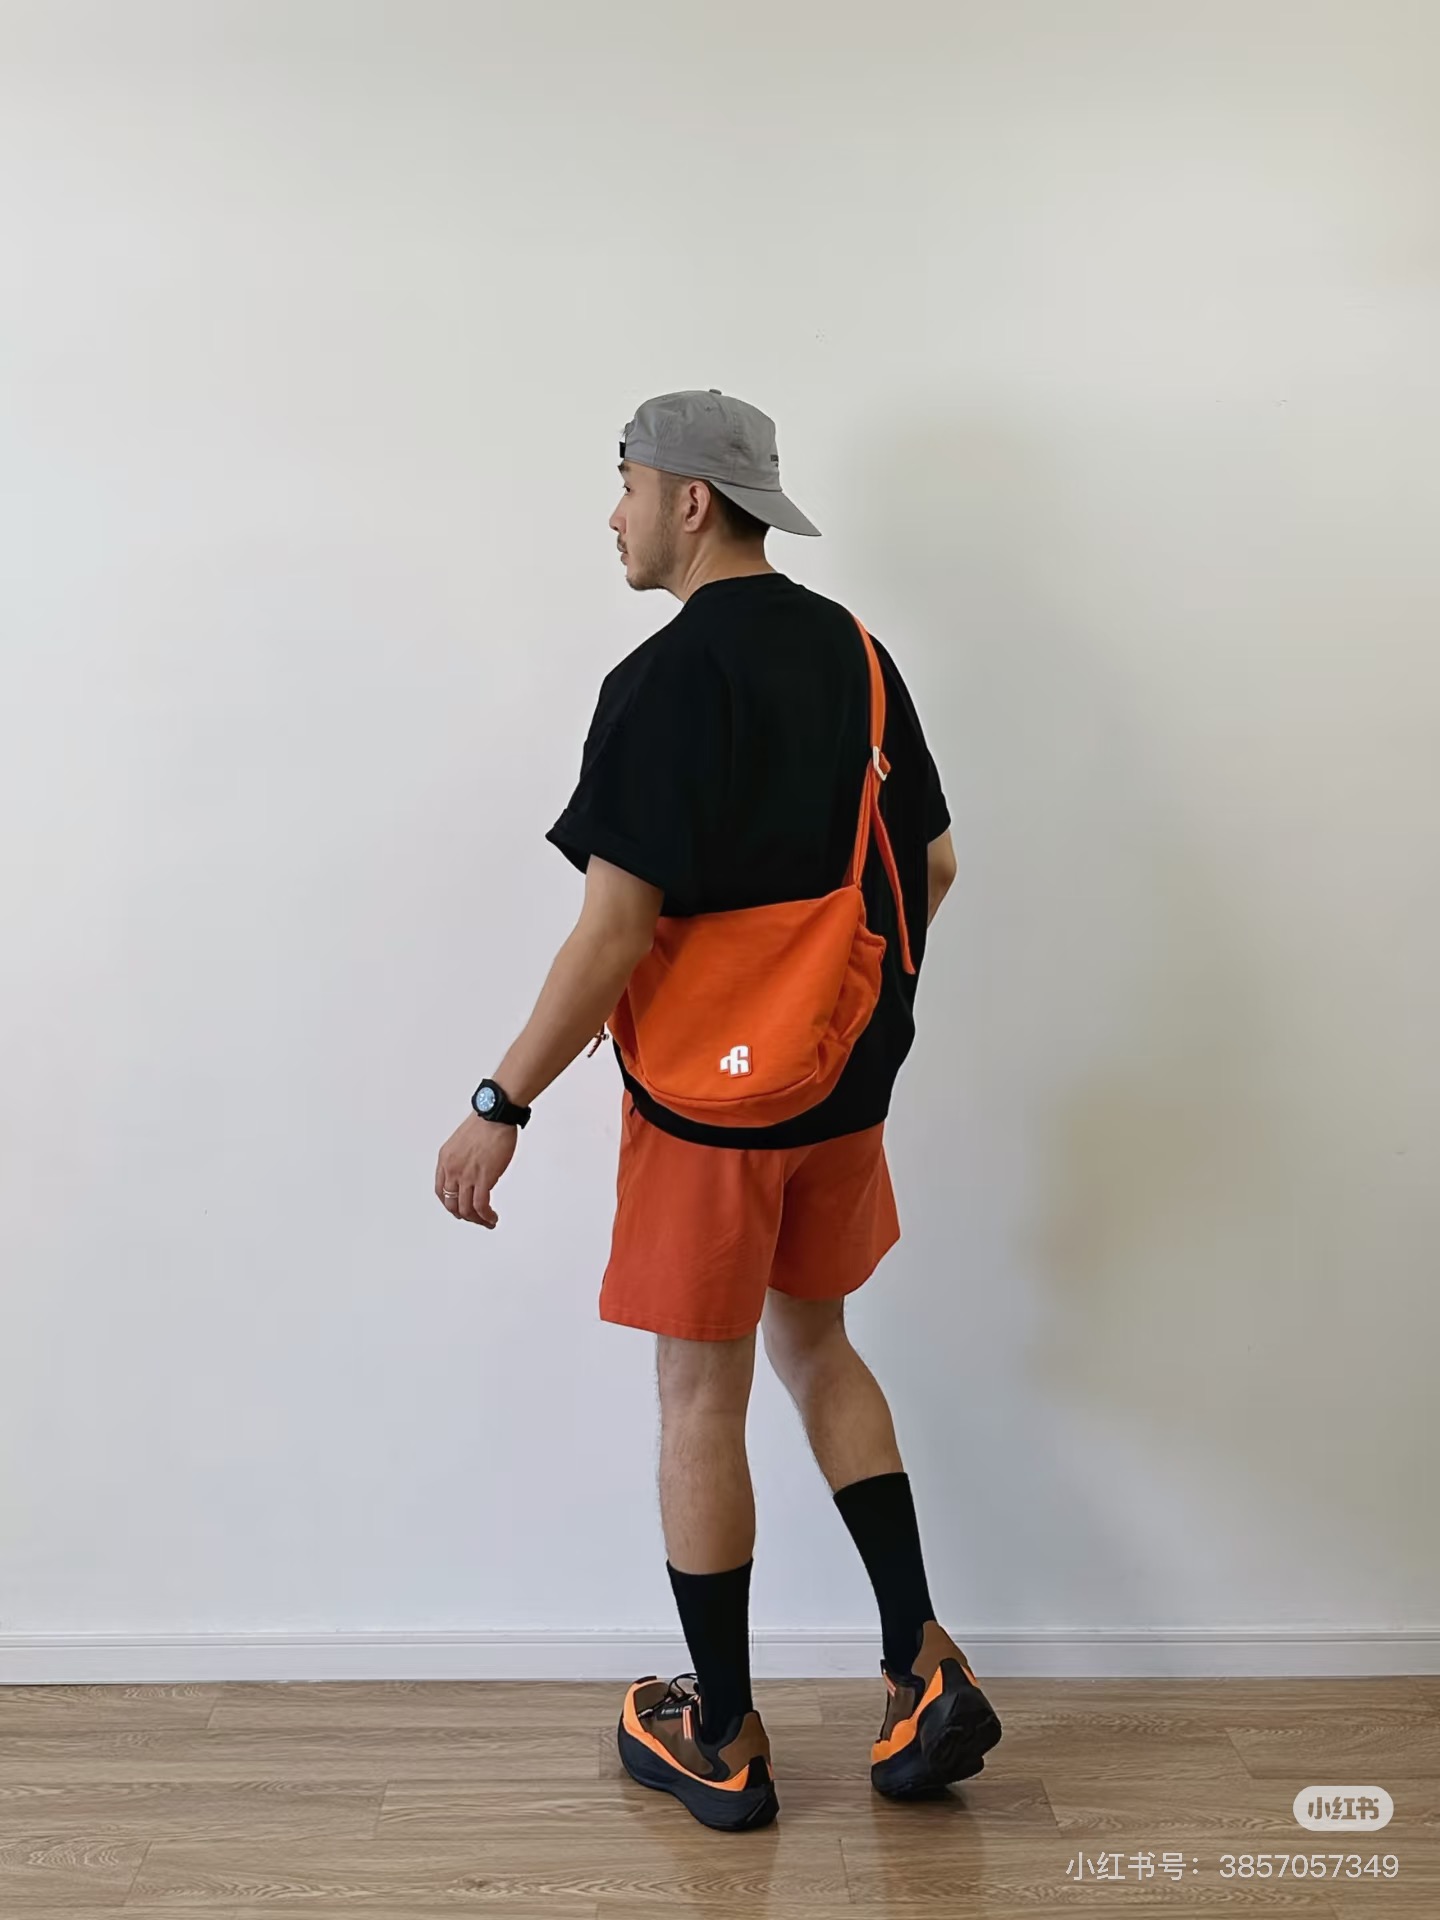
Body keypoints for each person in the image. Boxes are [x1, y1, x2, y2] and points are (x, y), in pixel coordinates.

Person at [434, 389, 1002, 1832]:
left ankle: (724, 1735)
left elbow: (613, 934)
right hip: (842, 1087)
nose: (613, 516)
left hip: (708, 1113)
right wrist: (838, 1013)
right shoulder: (858, 653)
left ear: (691, 499)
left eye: (625, 486)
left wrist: (503, 1100)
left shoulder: (662, 679)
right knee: (820, 1344)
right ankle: (920, 1663)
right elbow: (932, 866)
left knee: (702, 1395)